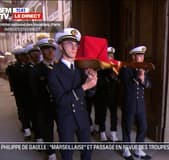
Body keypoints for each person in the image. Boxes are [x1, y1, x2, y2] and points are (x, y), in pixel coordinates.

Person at [48, 28, 97, 160]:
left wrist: (92, 83)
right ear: (60, 46)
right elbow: (61, 100)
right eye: (69, 43)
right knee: (67, 155)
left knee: (87, 152)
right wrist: (85, 86)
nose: (74, 47)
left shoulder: (80, 69)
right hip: (66, 119)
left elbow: (89, 95)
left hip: (82, 116)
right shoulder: (54, 72)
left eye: (76, 44)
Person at [119, 46, 152, 160]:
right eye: (139, 55)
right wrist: (137, 77)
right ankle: (126, 149)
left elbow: (148, 85)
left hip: (141, 103)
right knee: (127, 126)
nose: (142, 58)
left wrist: (143, 79)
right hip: (129, 103)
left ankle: (138, 149)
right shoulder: (126, 68)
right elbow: (126, 85)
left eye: (143, 56)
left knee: (143, 126)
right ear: (133, 57)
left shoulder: (143, 68)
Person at [30, 38, 58, 160]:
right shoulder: (36, 70)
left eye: (53, 49)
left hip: (60, 105)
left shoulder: (59, 67)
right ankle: (51, 153)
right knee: (48, 130)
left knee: (63, 129)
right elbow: (34, 91)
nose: (51, 52)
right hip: (45, 106)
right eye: (47, 49)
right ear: (41, 51)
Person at [94, 46, 119, 141]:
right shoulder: (100, 67)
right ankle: (102, 133)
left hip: (113, 95)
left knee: (114, 115)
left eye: (112, 55)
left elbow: (118, 80)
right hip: (102, 94)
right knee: (102, 114)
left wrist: (116, 78)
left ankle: (113, 134)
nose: (111, 57)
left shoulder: (116, 66)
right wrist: (109, 78)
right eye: (109, 55)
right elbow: (99, 82)